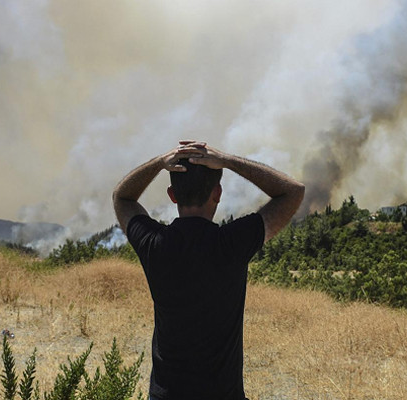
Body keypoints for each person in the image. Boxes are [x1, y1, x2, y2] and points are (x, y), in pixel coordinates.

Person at [113, 140, 305, 399]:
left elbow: (122, 197)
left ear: (172, 196)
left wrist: (159, 162)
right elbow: (292, 191)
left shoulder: (154, 244)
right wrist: (227, 160)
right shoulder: (232, 243)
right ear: (218, 194)